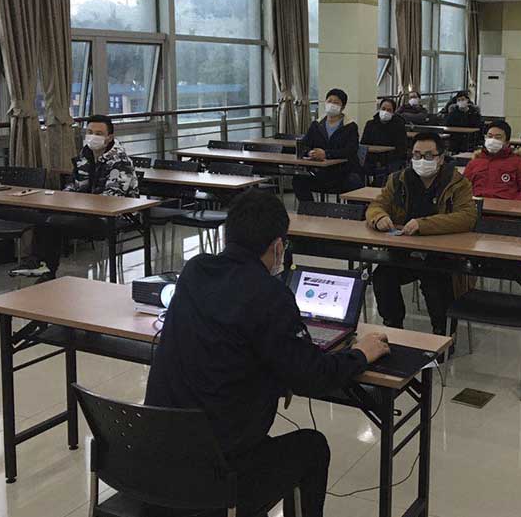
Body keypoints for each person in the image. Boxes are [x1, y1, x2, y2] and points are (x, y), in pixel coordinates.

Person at [145, 189, 390, 517]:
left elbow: (231, 346)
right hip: (214, 476)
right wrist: (360, 354)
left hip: (155, 461)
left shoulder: (195, 271)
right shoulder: (270, 294)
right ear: (277, 247)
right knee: (313, 447)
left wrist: (274, 377)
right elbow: (312, 377)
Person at [366, 132, 478, 335]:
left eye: (428, 156)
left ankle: (442, 333)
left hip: (441, 255)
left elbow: (467, 217)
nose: (421, 160)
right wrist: (379, 217)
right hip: (404, 250)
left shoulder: (457, 183)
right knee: (382, 276)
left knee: (435, 282)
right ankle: (394, 328)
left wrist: (423, 225)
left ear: (441, 158)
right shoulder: (399, 179)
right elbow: (376, 205)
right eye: (416, 155)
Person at [10, 114, 138, 280]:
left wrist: (79, 206)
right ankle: (40, 264)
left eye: (99, 133)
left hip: (116, 216)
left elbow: (112, 199)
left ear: (109, 137)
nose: (93, 136)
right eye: (90, 132)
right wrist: (63, 197)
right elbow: (77, 184)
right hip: (88, 212)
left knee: (54, 222)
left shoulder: (120, 162)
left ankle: (46, 268)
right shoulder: (85, 155)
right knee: (45, 215)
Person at [292, 88, 362, 202]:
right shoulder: (316, 125)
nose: (332, 104)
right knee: (298, 180)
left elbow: (350, 150)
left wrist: (326, 154)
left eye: (336, 102)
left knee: (354, 181)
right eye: (329, 101)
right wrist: (310, 152)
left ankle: (353, 211)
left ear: (343, 107)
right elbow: (304, 145)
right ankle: (310, 208)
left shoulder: (350, 127)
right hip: (319, 171)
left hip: (343, 172)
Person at [463, 120, 521, 201]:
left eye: (498, 137)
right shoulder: (475, 162)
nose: (492, 140)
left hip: (507, 206)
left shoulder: (518, 162)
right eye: (490, 136)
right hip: (477, 205)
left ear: (507, 142)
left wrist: (515, 205)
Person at [361, 97, 408, 184]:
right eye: (383, 109)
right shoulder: (370, 124)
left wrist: (384, 154)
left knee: (388, 170)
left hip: (391, 159)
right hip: (372, 158)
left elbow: (401, 148)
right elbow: (363, 144)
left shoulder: (398, 125)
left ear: (393, 112)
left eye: (389, 110)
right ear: (379, 109)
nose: (385, 112)